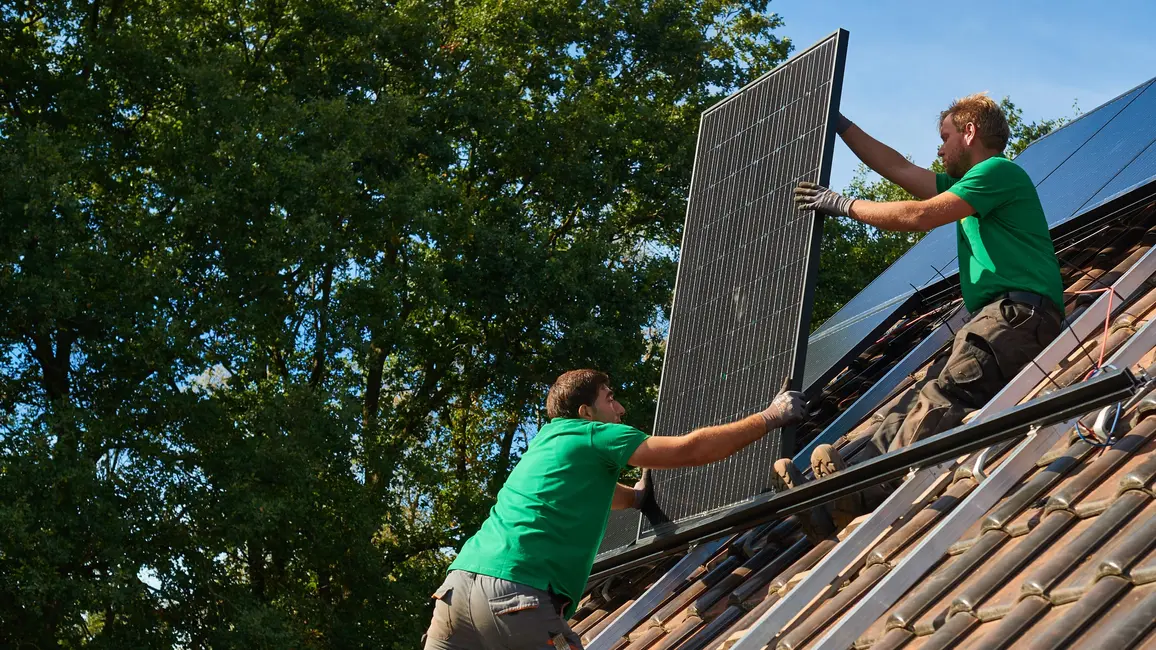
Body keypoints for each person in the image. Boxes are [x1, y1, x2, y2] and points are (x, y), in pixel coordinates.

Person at [776, 93, 1064, 529]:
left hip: (1018, 315)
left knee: (940, 396)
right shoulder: (972, 183)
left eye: (945, 137)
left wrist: (844, 205)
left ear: (970, 133)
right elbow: (897, 168)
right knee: (906, 405)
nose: (939, 148)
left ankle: (863, 494)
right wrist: (837, 122)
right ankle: (835, 498)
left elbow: (919, 215)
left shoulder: (997, 172)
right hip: (998, 315)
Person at [422, 369, 806, 649]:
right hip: (516, 597)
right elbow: (690, 450)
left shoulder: (544, 446)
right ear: (586, 412)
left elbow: (604, 494)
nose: (620, 408)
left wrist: (639, 499)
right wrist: (770, 417)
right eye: (609, 398)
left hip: (456, 592)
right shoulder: (595, 434)